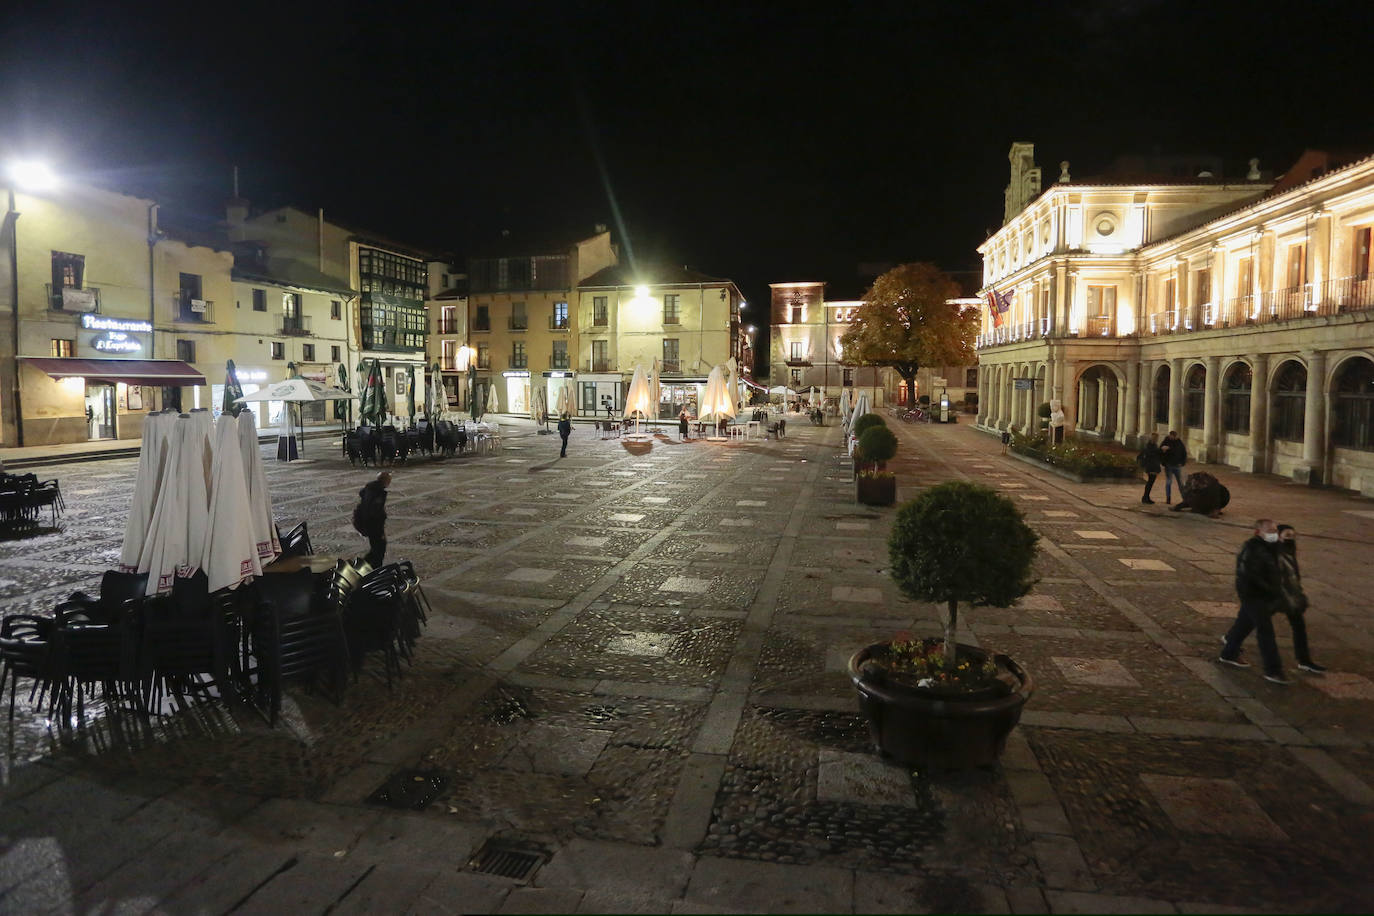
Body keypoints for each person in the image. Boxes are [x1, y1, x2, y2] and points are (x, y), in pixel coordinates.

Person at [1219, 518, 1289, 685]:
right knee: (1266, 631)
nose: (1274, 534)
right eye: (1270, 531)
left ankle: (1228, 654)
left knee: (1244, 625)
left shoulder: (1272, 547)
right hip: (1254, 595)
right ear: (1258, 532)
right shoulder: (1252, 549)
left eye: (1275, 531)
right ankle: (1273, 670)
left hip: (1263, 595)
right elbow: (1251, 576)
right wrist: (1271, 590)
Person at [1276, 524, 1326, 674]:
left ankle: (1304, 660)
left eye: (1292, 536)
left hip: (1290, 597)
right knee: (1250, 623)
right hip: (1272, 596)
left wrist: (1298, 594)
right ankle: (1231, 642)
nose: (1290, 538)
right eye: (1287, 535)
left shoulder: (1289, 551)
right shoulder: (1273, 552)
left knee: (1299, 626)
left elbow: (1293, 577)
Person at [352, 471, 391, 568]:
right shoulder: (378, 493)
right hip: (372, 525)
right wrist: (380, 529)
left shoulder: (371, 489)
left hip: (366, 523)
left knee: (375, 549)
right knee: (379, 549)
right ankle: (373, 569)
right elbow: (375, 512)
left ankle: (361, 565)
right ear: (385, 481)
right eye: (389, 480)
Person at [1159, 430, 1187, 504]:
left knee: (1180, 483)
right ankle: (1168, 498)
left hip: (1177, 465)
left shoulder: (1179, 443)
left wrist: (1182, 463)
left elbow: (1184, 453)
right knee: (1169, 482)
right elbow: (1160, 452)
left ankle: (1184, 498)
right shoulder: (1166, 441)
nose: (1171, 437)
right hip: (1169, 465)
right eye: (1170, 436)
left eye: (1173, 436)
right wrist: (1163, 453)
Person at [1137, 432, 1163, 504]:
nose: (1156, 439)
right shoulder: (1149, 446)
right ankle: (1145, 497)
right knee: (1150, 482)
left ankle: (1146, 497)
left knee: (1150, 482)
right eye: (1156, 438)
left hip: (1153, 466)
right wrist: (1160, 450)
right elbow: (1150, 454)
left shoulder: (1154, 445)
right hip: (1151, 466)